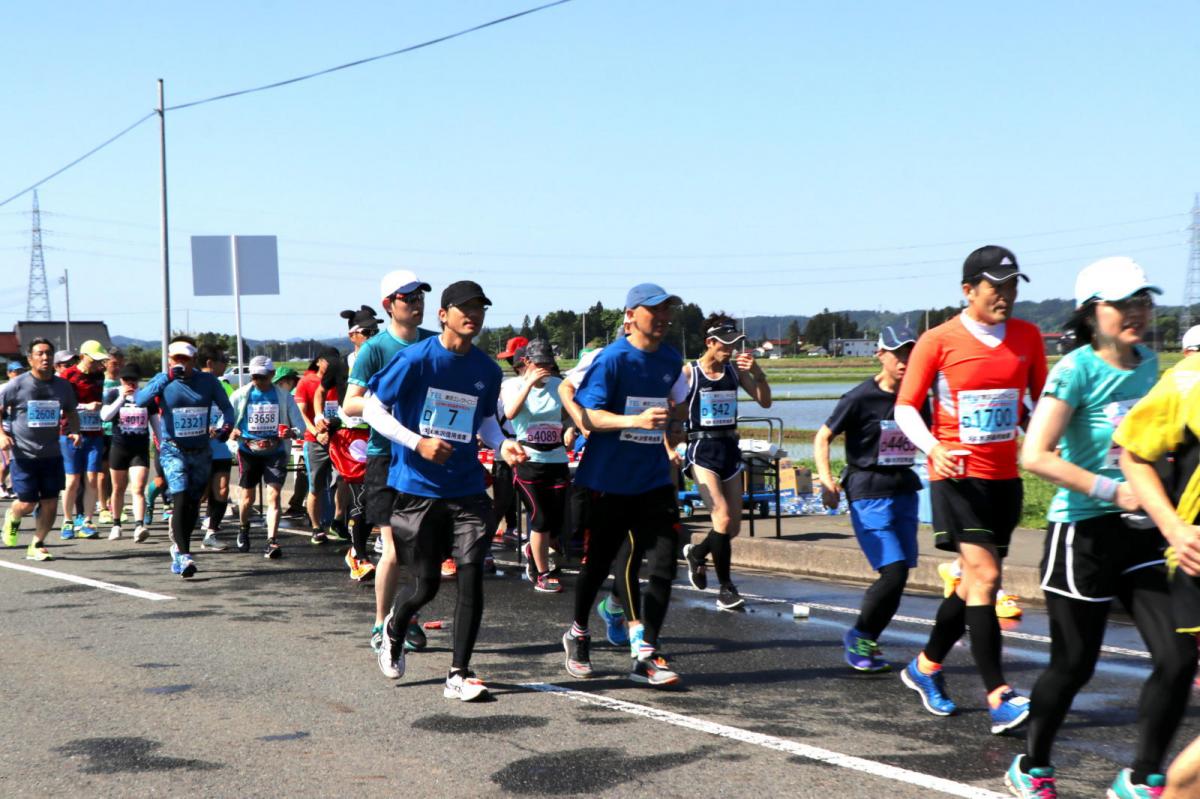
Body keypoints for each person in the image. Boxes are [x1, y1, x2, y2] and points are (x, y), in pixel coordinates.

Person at [1005, 257, 1196, 798]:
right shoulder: (1075, 370)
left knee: (1178, 655)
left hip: (1142, 534)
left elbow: (1156, 447)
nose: (1137, 312)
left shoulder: (1150, 364)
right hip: (1082, 533)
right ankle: (1033, 763)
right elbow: (1035, 454)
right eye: (1123, 303)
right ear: (1093, 313)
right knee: (1074, 665)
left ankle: (1141, 777)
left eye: (1144, 300)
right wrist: (1113, 489)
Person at [893, 245, 1047, 734]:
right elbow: (905, 407)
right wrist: (933, 448)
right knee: (986, 577)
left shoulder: (1028, 336)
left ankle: (925, 666)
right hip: (956, 476)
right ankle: (999, 695)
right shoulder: (938, 340)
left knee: (970, 585)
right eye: (995, 286)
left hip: (1005, 479)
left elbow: (1039, 404)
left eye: (1012, 286)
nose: (1006, 295)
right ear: (968, 290)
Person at [362, 279, 525, 701]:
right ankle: (395, 626)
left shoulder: (487, 370)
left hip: (468, 488)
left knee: (472, 577)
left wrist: (503, 445)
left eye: (480, 309)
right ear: (443, 314)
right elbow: (372, 408)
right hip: (417, 489)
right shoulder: (416, 360)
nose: (473, 315)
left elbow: (486, 423)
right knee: (426, 586)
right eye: (464, 308)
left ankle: (459, 673)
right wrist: (417, 443)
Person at [561, 283, 690, 688]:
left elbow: (677, 405)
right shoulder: (612, 359)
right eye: (656, 310)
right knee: (600, 565)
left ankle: (647, 653)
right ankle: (578, 632)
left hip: (652, 479)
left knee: (666, 563)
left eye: (669, 310)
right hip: (607, 480)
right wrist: (634, 421)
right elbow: (591, 416)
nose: (664, 318)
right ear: (631, 315)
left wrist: (675, 430)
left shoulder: (671, 359)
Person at [814, 325, 926, 673]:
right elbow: (822, 436)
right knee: (891, 572)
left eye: (911, 352)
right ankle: (859, 636)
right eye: (898, 353)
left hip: (905, 489)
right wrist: (829, 483)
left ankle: (867, 638)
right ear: (881, 355)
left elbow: (933, 436)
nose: (905, 360)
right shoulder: (860, 397)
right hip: (868, 492)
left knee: (901, 575)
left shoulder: (918, 396)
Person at [342, 270, 436, 655]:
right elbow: (350, 403)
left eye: (419, 296)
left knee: (423, 549)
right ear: (388, 305)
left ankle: (407, 615)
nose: (415, 303)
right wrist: (387, 405)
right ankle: (383, 622)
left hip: (426, 455)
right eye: (406, 297)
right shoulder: (375, 349)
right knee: (394, 547)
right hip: (385, 455)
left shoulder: (434, 342)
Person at [680, 313, 772, 611]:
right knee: (720, 515)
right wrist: (670, 443)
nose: (730, 349)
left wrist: (758, 373)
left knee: (732, 526)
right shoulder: (689, 373)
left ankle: (697, 552)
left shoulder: (735, 372)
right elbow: (671, 408)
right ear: (710, 342)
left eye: (734, 344)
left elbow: (765, 401)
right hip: (701, 450)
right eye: (725, 344)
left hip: (729, 450)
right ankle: (726, 588)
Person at [134, 337, 235, 578]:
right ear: (169, 360)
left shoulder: (208, 381)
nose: (179, 363)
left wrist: (226, 426)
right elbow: (139, 400)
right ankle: (183, 554)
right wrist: (165, 379)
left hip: (201, 450)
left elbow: (227, 408)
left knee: (192, 504)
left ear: (194, 361)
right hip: (172, 449)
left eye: (184, 359)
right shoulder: (163, 380)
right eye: (175, 359)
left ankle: (179, 545)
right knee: (179, 496)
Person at [1, 338, 79, 560]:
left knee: (50, 501)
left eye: (49, 354)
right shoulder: (16, 385)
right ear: (30, 359)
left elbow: (71, 412)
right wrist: (1, 435)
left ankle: (37, 543)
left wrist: (74, 431)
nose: (45, 358)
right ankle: (13, 516)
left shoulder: (63, 386)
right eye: (40, 353)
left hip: (52, 454)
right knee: (26, 503)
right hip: (23, 454)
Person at [503, 339, 570, 593]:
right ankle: (543, 573)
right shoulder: (512, 385)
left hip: (557, 458)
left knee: (554, 519)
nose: (545, 369)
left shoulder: (560, 385)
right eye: (539, 364)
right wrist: (529, 383)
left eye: (548, 364)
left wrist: (570, 429)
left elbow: (566, 413)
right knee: (539, 518)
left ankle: (534, 548)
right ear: (527, 362)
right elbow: (510, 413)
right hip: (528, 461)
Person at [229, 356, 304, 558]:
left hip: (276, 452)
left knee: (274, 495)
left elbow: (300, 427)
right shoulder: (240, 395)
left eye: (262, 377)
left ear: (271, 375)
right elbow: (225, 423)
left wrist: (291, 432)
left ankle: (272, 541)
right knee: (247, 499)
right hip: (248, 452)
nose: (258, 381)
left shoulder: (283, 397)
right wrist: (231, 432)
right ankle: (244, 528)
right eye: (254, 376)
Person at [58, 339, 110, 540]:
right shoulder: (67, 376)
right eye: (94, 359)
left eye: (100, 360)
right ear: (83, 356)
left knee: (92, 478)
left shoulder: (100, 375)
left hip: (94, 433)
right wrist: (85, 407)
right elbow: (61, 406)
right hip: (70, 433)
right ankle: (68, 520)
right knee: (72, 480)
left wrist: (96, 408)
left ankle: (88, 521)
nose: (97, 364)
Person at [99, 363, 155, 542]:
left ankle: (139, 526)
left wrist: (162, 442)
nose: (130, 384)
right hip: (119, 447)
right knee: (118, 488)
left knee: (138, 488)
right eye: (126, 380)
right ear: (121, 380)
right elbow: (105, 416)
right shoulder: (113, 393)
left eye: (133, 380)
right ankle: (116, 525)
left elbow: (156, 422)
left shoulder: (146, 397)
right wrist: (121, 399)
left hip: (139, 449)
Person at [296, 348, 345, 545]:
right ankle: (316, 528)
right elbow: (303, 414)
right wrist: (317, 432)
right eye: (328, 361)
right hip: (315, 441)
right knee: (315, 486)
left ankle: (338, 520)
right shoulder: (306, 382)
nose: (331, 364)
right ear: (319, 362)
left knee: (344, 479)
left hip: (339, 439)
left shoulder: (342, 379)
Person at [198, 346, 235, 551]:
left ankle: (211, 533)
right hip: (197, 447)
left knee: (221, 488)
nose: (226, 365)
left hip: (219, 445)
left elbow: (229, 410)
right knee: (199, 493)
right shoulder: (192, 383)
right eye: (223, 360)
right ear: (210, 363)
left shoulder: (223, 385)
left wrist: (222, 428)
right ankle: (181, 531)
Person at [97, 347, 124, 526]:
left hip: (120, 431)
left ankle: (116, 506)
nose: (117, 367)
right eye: (114, 364)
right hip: (102, 430)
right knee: (103, 471)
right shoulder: (101, 382)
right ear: (105, 363)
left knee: (119, 472)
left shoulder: (124, 382)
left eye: (120, 364)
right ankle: (103, 507)